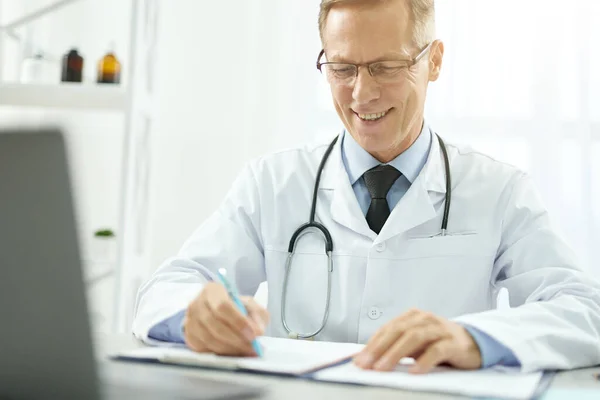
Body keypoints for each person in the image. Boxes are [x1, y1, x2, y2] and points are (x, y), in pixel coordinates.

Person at [133, 0, 600, 374]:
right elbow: (163, 292)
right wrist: (196, 312)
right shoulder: (271, 183)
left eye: (385, 67)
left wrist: (475, 339)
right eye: (342, 68)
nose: (361, 93)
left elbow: (584, 313)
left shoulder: (500, 190)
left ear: (433, 61)